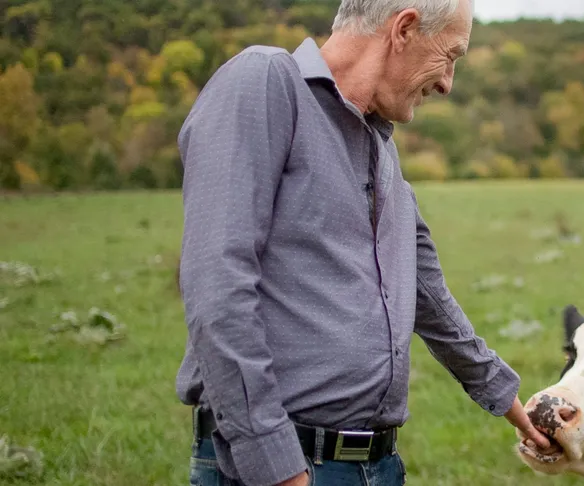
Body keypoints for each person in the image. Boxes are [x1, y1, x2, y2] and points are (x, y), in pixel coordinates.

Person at [174, 0, 552, 484]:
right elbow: (217, 283)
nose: (447, 83)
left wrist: (511, 403)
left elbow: (427, 294)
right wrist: (278, 469)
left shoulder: (379, 144)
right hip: (284, 467)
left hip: (376, 466)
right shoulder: (265, 81)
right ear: (404, 29)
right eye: (450, 56)